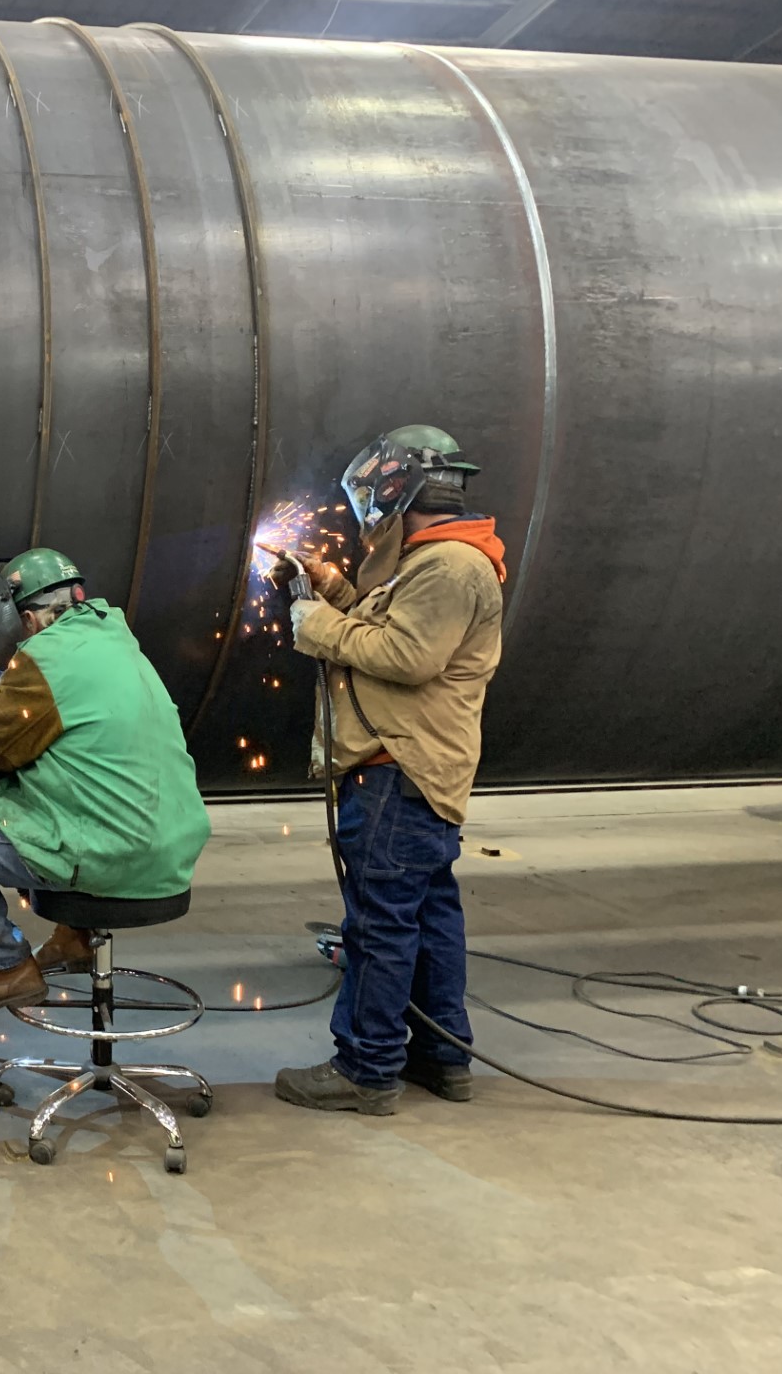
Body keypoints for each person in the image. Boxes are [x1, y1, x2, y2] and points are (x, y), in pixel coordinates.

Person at [271, 425, 505, 1115]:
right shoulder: (433, 562)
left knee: (379, 927)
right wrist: (335, 589)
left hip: (396, 769)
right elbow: (391, 629)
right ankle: (441, 1057)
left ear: (391, 492)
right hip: (413, 768)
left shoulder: (450, 566)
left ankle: (366, 1069)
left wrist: (312, 623)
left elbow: (407, 657)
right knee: (428, 918)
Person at [0, 547, 211, 1020]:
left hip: (113, 855)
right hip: (170, 854)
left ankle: (1, 969)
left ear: (29, 619)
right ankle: (73, 937)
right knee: (57, 793)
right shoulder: (117, 640)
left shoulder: (46, 658)